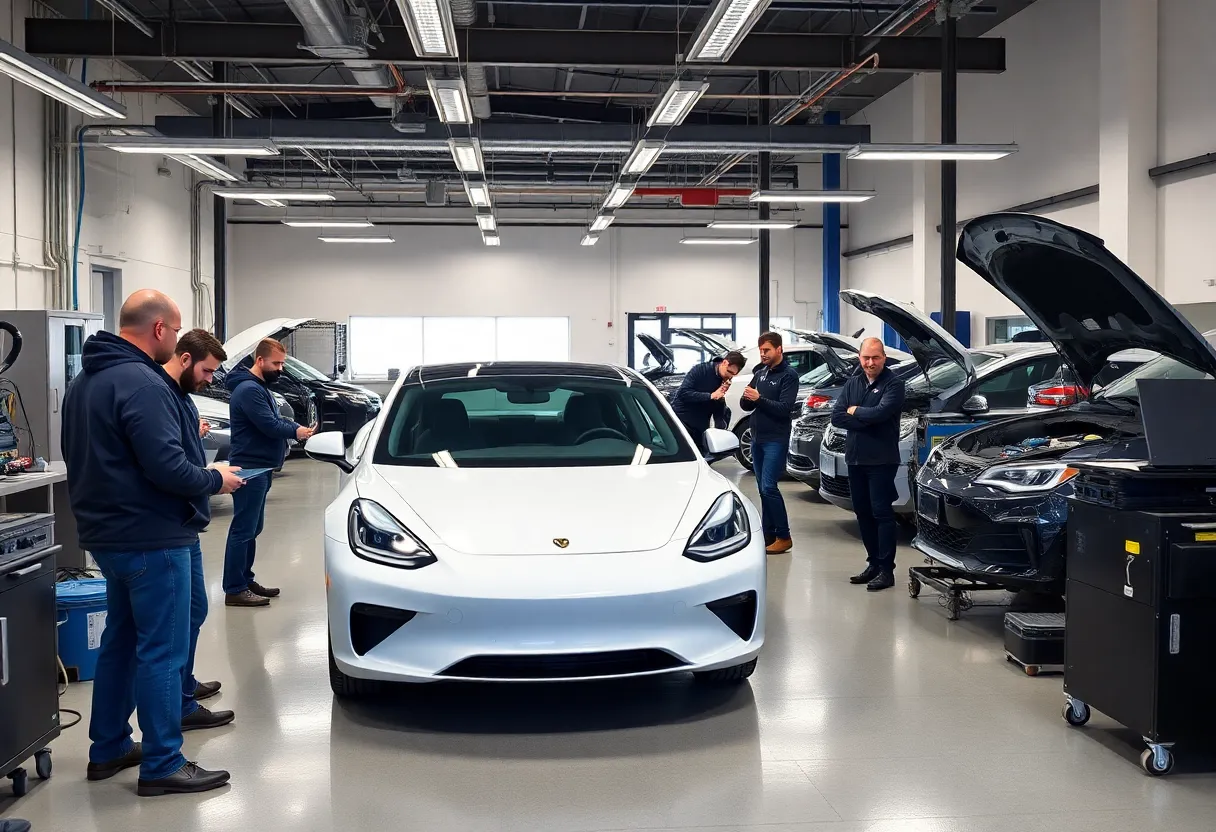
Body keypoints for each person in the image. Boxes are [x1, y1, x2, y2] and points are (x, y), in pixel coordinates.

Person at [61, 290, 244, 797]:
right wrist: (216, 479)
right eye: (176, 328)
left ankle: (109, 747)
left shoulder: (85, 381)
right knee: (162, 651)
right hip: (151, 536)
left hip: (108, 536)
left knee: (120, 643)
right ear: (160, 329)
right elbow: (168, 468)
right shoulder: (143, 382)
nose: (177, 337)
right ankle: (163, 762)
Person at [161, 329, 235, 716]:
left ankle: (184, 686)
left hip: (186, 523)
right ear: (186, 358)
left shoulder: (180, 396)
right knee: (175, 624)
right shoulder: (156, 393)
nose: (209, 379)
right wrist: (215, 479)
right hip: (167, 527)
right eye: (207, 371)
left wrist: (195, 430)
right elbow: (169, 468)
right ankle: (180, 706)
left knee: (195, 610)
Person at [223, 338, 315, 607]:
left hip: (261, 467)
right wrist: (298, 431)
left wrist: (292, 426)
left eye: (282, 363)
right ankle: (235, 588)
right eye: (276, 363)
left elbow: (274, 420)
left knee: (253, 528)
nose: (280, 369)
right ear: (260, 361)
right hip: (250, 468)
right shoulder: (249, 390)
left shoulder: (258, 388)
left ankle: (245, 578)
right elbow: (269, 425)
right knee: (243, 529)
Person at [830, 337, 906, 591]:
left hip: (881, 460)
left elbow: (882, 413)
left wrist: (856, 411)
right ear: (859, 358)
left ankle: (886, 570)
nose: (870, 363)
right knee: (862, 512)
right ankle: (873, 563)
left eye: (875, 358)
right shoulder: (853, 382)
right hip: (855, 458)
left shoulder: (894, 384)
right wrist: (867, 420)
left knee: (881, 513)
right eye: (866, 358)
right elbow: (837, 416)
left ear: (884, 358)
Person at [739, 332, 800, 555]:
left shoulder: (789, 376)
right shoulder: (760, 373)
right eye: (761, 350)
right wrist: (747, 398)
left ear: (779, 349)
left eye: (767, 350)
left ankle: (784, 536)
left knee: (769, 487)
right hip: (757, 437)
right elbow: (746, 405)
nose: (763, 354)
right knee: (762, 490)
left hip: (775, 439)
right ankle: (768, 535)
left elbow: (784, 409)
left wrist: (759, 399)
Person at [670, 350, 746, 448]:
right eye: (729, 371)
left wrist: (720, 400)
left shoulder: (725, 380)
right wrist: (711, 395)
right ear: (724, 363)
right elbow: (683, 393)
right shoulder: (700, 370)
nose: (730, 376)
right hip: (683, 420)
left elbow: (716, 407)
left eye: (733, 374)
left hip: (701, 425)